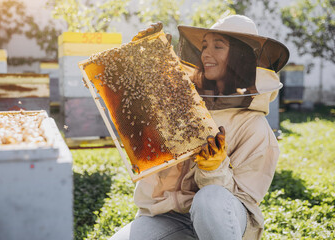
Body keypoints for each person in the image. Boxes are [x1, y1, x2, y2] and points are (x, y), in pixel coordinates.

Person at [110, 14, 289, 240]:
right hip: (169, 216)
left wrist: (213, 169)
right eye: (204, 45)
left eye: (218, 46)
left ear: (240, 57)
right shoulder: (180, 101)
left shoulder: (255, 127)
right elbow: (140, 129)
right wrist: (147, 67)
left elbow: (244, 196)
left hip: (225, 221)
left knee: (209, 198)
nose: (206, 53)